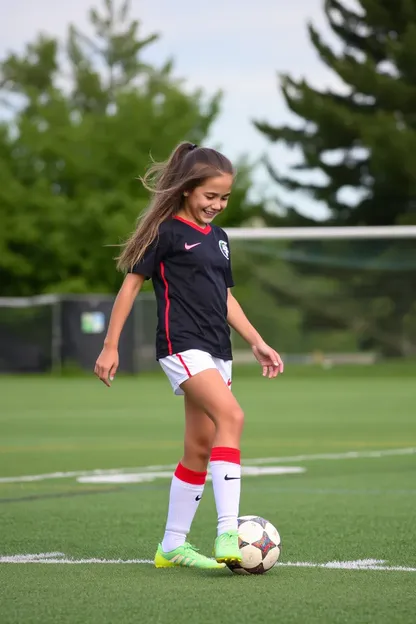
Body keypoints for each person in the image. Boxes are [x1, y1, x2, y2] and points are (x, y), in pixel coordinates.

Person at [94, 142, 284, 571]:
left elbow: (226, 297)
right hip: (181, 344)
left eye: (224, 197)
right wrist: (111, 345)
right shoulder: (165, 233)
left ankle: (172, 546)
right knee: (232, 417)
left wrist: (256, 340)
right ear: (185, 190)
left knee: (199, 447)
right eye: (209, 196)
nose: (217, 205)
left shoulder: (219, 239)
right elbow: (130, 287)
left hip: (218, 348)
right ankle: (227, 530)